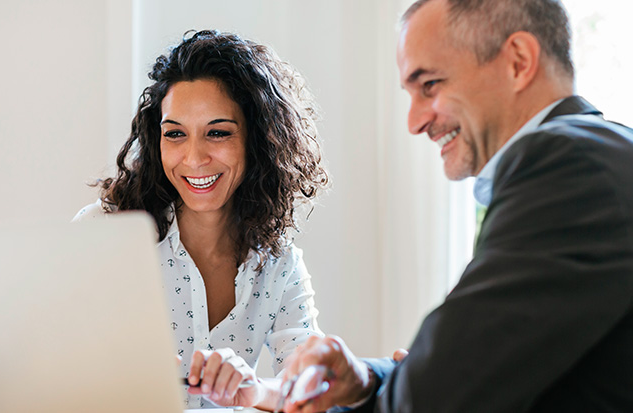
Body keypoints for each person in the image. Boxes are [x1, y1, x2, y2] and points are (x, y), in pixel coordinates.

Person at [282, 0, 633, 412]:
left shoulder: (569, 166)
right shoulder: (599, 152)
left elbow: (438, 397)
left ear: (518, 62)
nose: (414, 122)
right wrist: (368, 379)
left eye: (429, 85)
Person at [73, 30, 329, 410]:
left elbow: (312, 391)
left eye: (218, 133)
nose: (193, 158)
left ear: (257, 140)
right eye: (175, 134)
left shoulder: (279, 265)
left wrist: (255, 388)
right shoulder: (105, 233)